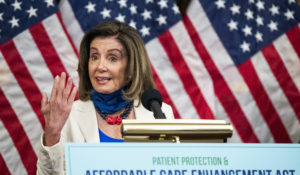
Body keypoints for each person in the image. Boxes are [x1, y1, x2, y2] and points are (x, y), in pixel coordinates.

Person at [36, 21, 174, 175]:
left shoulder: (159, 114)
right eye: (94, 57)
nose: (100, 66)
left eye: (112, 58)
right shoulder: (69, 116)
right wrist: (52, 134)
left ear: (131, 68)